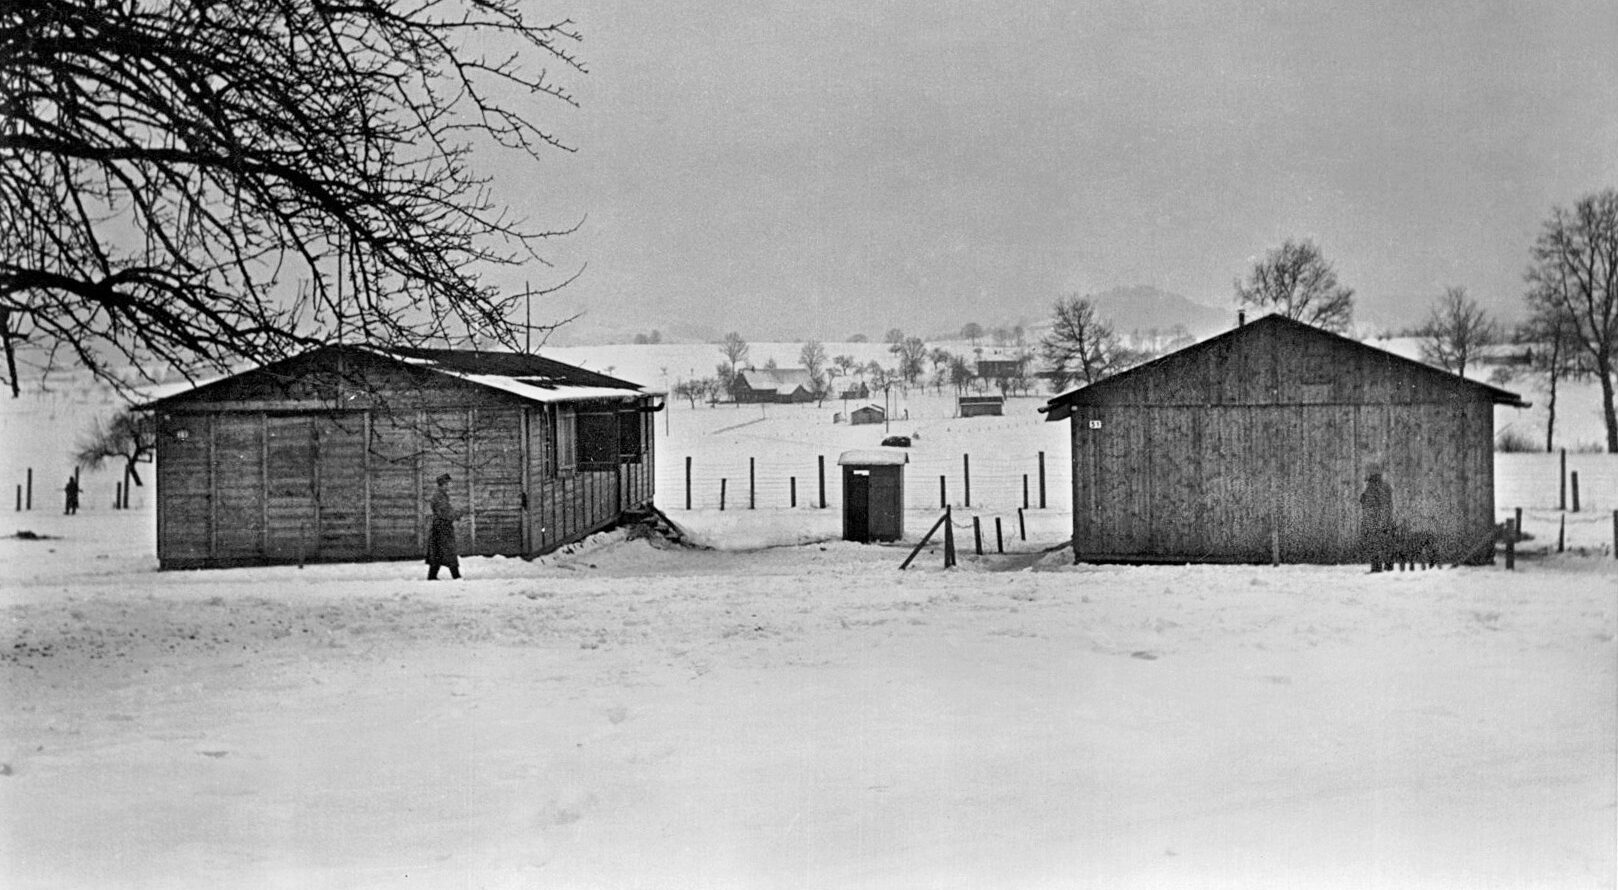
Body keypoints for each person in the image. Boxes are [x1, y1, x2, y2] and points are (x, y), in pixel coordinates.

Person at [426, 473, 466, 580]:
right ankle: (456, 577)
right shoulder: (439, 496)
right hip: (442, 528)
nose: (449, 486)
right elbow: (445, 513)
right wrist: (458, 513)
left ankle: (432, 576)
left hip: (440, 528)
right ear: (443, 484)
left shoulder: (441, 495)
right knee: (449, 552)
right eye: (448, 483)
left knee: (438, 554)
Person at [1359, 467, 1394, 573]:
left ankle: (1376, 567)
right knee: (1386, 544)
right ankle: (1389, 567)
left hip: (1374, 521)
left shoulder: (1371, 487)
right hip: (1386, 520)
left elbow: (1370, 505)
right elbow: (1387, 503)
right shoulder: (1386, 486)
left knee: (1374, 545)